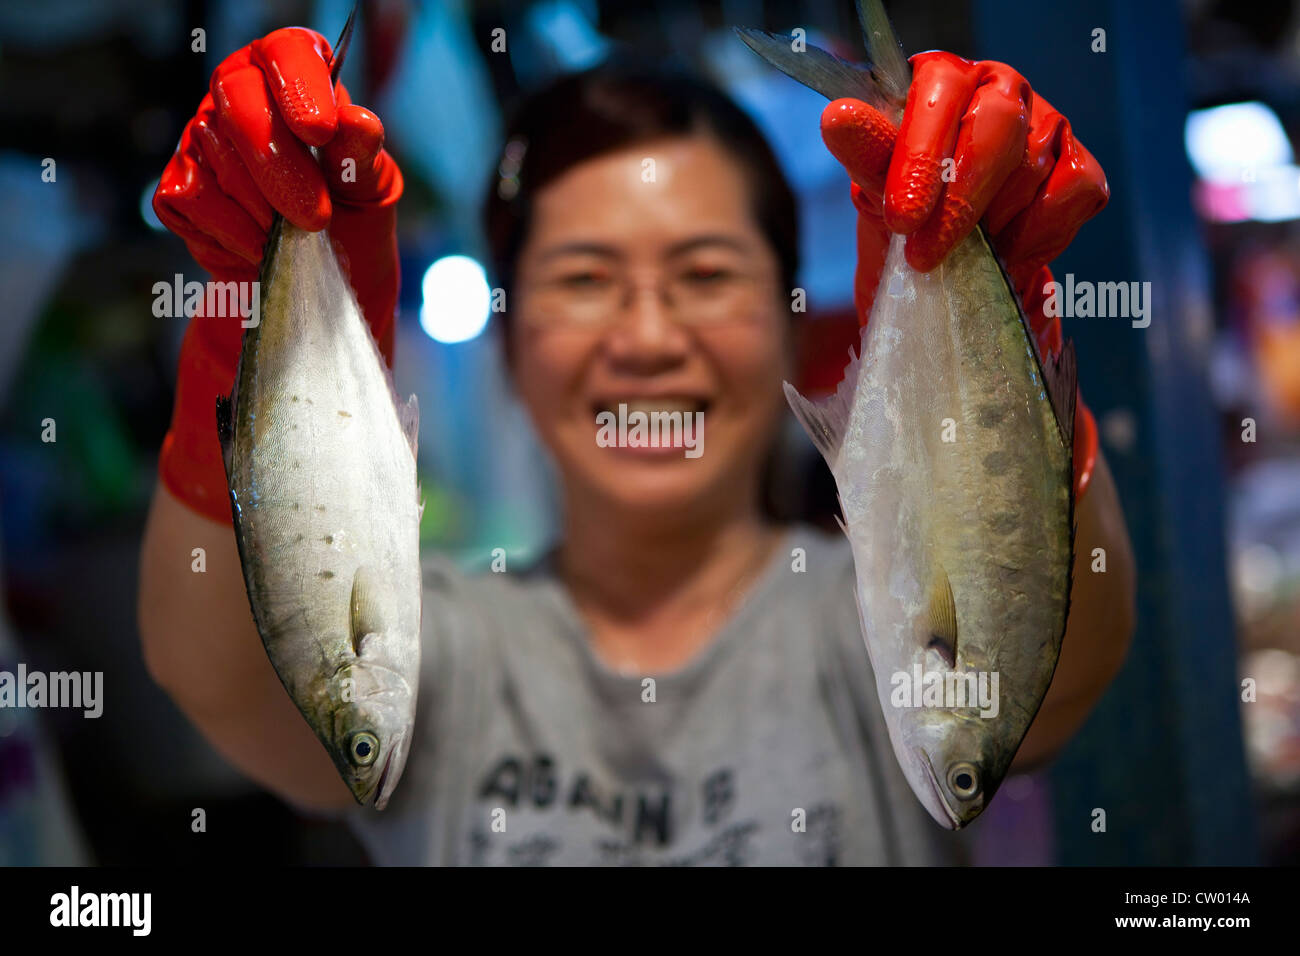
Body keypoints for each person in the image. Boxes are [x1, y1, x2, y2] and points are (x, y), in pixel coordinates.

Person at [140, 26, 1135, 865]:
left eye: (705, 275)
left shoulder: (868, 634)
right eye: (583, 279)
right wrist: (257, 317)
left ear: (793, 317)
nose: (650, 338)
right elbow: (218, 673)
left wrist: (996, 335)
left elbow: (1054, 671)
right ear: (510, 338)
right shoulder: (441, 655)